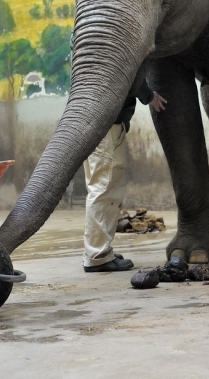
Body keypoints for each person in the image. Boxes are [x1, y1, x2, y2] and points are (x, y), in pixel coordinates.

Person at [83, 80, 166, 272]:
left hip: (90, 122)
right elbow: (132, 76)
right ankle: (98, 256)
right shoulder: (108, 49)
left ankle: (97, 250)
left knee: (99, 187)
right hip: (106, 125)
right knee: (105, 189)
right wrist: (150, 96)